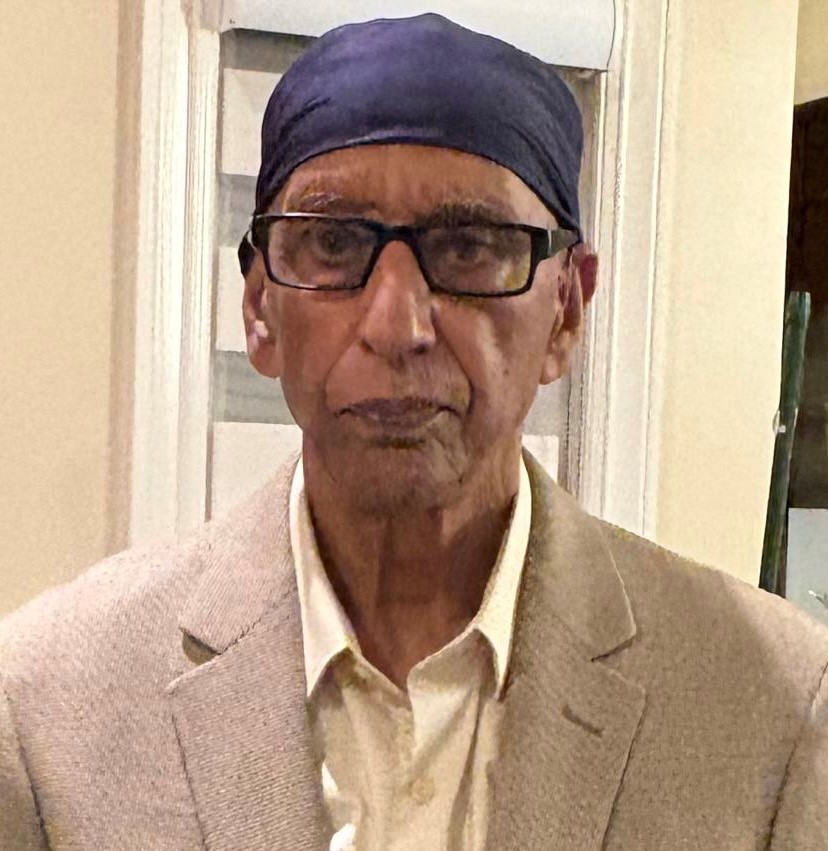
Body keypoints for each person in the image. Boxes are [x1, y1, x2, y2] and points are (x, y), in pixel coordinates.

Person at [1, 13, 826, 851]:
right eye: (332, 244)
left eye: (470, 247)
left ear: (567, 310)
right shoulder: (49, 710)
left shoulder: (770, 709)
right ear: (258, 308)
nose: (396, 325)